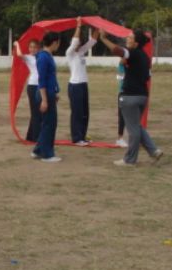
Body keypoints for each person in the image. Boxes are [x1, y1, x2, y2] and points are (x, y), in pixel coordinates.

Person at [98, 29, 164, 166]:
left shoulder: (132, 53)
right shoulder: (145, 57)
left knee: (133, 130)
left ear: (136, 42)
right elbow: (146, 76)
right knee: (137, 126)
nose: (127, 39)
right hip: (142, 96)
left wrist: (103, 39)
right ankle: (154, 151)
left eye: (130, 37)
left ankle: (130, 160)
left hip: (130, 97)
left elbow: (118, 50)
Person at [66, 17, 98, 146]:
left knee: (85, 112)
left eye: (79, 42)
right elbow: (74, 42)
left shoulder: (82, 51)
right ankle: (76, 138)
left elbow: (94, 40)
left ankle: (82, 136)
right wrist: (78, 26)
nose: (78, 43)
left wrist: (98, 26)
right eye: (76, 41)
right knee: (77, 112)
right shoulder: (70, 53)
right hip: (75, 86)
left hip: (83, 85)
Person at [31, 31, 62, 163]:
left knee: (47, 123)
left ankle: (38, 150)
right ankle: (47, 154)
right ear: (54, 42)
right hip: (44, 93)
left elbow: (50, 77)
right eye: (58, 43)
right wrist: (44, 99)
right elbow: (42, 80)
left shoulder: (47, 56)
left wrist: (54, 93)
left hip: (49, 93)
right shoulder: (44, 57)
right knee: (50, 124)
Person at [14, 39, 42, 142]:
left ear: (39, 48)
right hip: (33, 86)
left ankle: (31, 136)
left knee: (38, 112)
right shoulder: (29, 57)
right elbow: (19, 54)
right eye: (31, 47)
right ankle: (35, 137)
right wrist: (17, 44)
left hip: (41, 87)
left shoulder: (41, 56)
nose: (32, 49)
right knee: (35, 112)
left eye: (35, 47)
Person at [115, 59, 128, 148]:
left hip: (133, 93)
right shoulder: (122, 66)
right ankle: (120, 138)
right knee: (122, 116)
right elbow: (120, 77)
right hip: (123, 93)